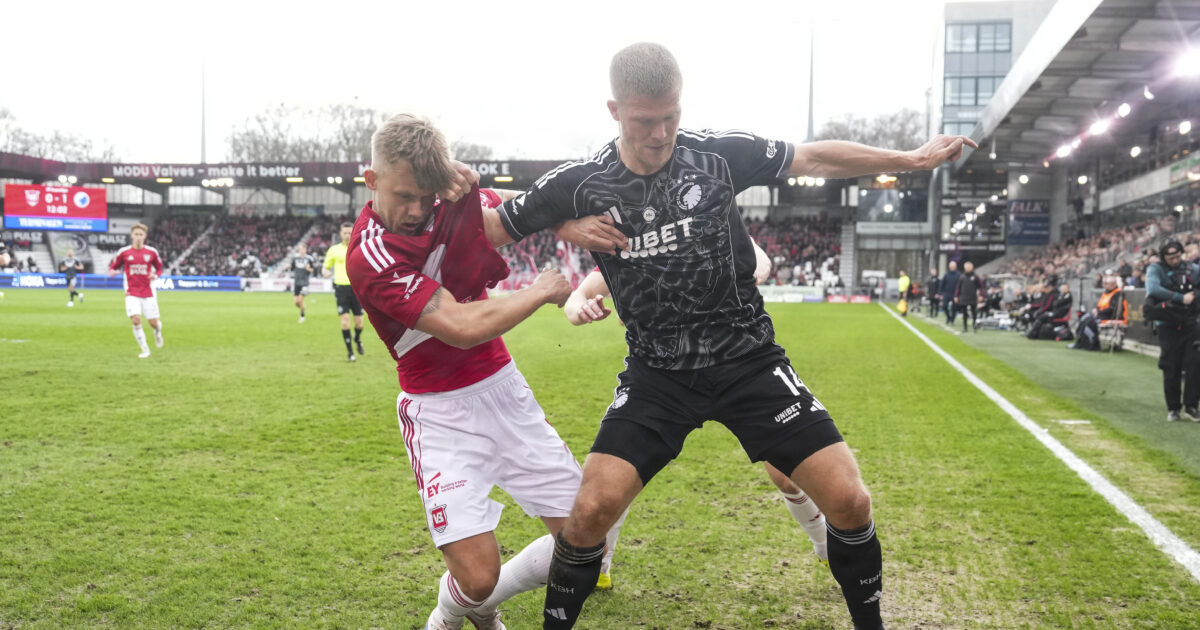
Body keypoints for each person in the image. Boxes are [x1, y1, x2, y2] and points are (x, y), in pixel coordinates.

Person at [494, 42, 975, 630]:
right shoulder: (581, 183)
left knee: (850, 500)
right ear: (615, 111)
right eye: (645, 120)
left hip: (749, 362)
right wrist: (562, 223)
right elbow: (494, 224)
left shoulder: (716, 155)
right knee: (591, 509)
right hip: (658, 376)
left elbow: (814, 158)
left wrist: (911, 159)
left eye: (671, 116)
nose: (661, 133)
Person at [345, 113, 622, 630]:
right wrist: (540, 291)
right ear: (372, 180)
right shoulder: (369, 255)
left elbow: (515, 207)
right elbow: (460, 326)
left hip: (503, 391)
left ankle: (478, 605)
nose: (415, 210)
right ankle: (453, 613)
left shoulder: (448, 200)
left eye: (424, 197)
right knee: (475, 576)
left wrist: (561, 224)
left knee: (591, 542)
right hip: (439, 413)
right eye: (403, 196)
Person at [563, 256, 831, 587]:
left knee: (785, 476)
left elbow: (759, 261)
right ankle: (601, 565)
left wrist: (735, 279)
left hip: (739, 365)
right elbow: (580, 294)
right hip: (665, 379)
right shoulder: (631, 250)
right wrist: (580, 309)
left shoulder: (714, 230)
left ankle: (825, 544)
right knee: (621, 472)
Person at [1144, 241, 1200, 422]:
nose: (1175, 260)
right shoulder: (1155, 269)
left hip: (1191, 323)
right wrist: (1180, 298)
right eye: (1170, 258)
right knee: (1171, 366)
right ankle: (1173, 408)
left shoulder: (1194, 269)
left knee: (1195, 364)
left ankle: (1191, 406)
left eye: (1177, 256)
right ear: (1163, 257)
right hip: (1167, 324)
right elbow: (1153, 289)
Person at [107, 223, 164, 358]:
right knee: (136, 320)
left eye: (141, 234)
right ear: (132, 235)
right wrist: (112, 271)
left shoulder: (152, 252)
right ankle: (145, 350)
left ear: (145, 236)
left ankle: (157, 332)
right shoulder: (124, 252)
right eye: (136, 234)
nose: (138, 237)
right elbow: (113, 266)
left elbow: (160, 268)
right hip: (131, 291)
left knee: (153, 323)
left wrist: (155, 275)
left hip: (148, 292)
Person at [323, 223, 366, 361]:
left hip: (356, 288)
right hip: (341, 288)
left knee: (359, 323)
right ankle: (350, 353)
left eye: (349, 233)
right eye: (345, 233)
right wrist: (325, 272)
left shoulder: (360, 248)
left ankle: (357, 338)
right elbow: (326, 267)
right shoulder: (334, 250)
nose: (347, 235)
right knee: (345, 322)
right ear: (340, 234)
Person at [1070, 272, 1127, 351]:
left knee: (1090, 322)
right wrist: (1096, 310)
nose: (1105, 285)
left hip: (1110, 316)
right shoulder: (1106, 292)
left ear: (1114, 284)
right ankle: (1080, 343)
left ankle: (1091, 344)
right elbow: (1100, 305)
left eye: (1107, 283)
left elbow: (1113, 309)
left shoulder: (1118, 294)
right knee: (1084, 319)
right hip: (1101, 314)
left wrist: (1099, 312)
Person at [290, 243, 315, 323]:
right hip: (296, 283)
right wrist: (288, 267)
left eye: (303, 249)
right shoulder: (295, 258)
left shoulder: (309, 259)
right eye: (300, 249)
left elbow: (313, 270)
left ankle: (302, 317)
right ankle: (303, 308)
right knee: (296, 302)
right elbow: (292, 268)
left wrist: (308, 269)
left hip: (304, 283)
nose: (301, 251)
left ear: (305, 249)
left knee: (300, 300)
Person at [954, 261, 981, 332]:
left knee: (974, 312)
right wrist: (956, 296)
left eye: (969, 267)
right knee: (964, 313)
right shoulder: (962, 277)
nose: (968, 268)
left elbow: (980, 287)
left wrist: (980, 295)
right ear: (965, 268)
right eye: (967, 267)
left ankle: (974, 326)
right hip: (964, 297)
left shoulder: (975, 276)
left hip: (973, 297)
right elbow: (958, 287)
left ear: (972, 267)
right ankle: (965, 327)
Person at [940, 260, 960, 325]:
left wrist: (958, 294)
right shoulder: (946, 274)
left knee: (955, 308)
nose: (952, 267)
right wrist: (941, 293)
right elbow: (942, 284)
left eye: (953, 266)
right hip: (947, 293)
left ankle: (952, 320)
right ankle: (948, 317)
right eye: (951, 266)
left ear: (955, 267)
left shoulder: (958, 274)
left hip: (955, 294)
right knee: (944, 306)